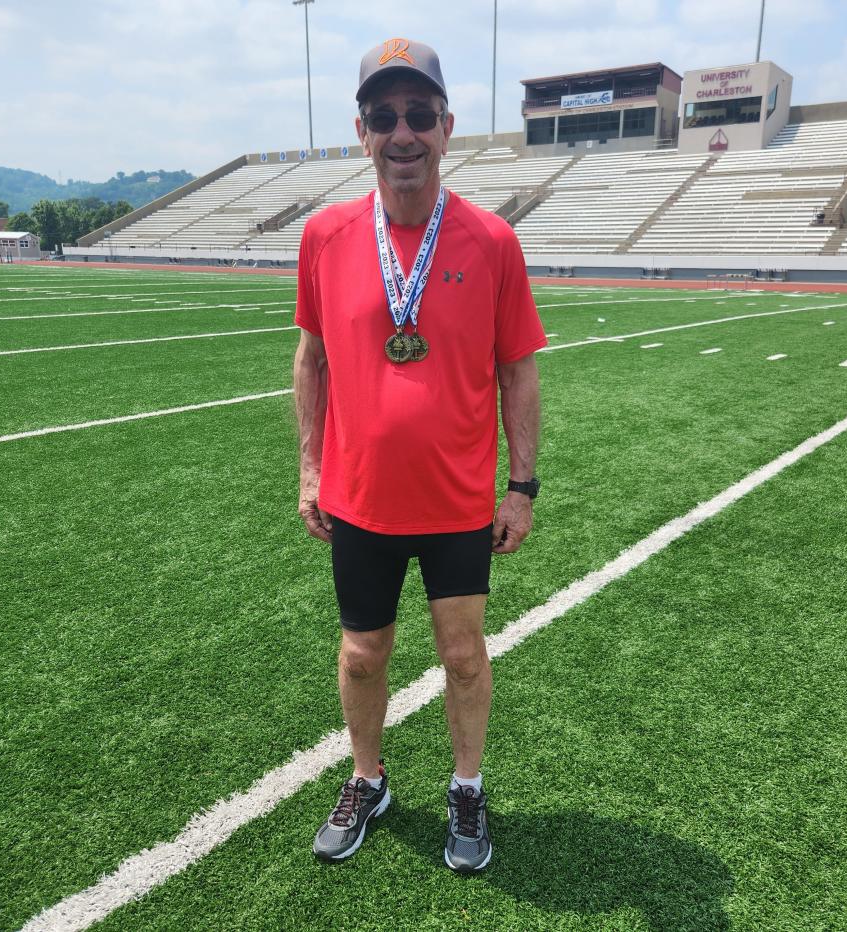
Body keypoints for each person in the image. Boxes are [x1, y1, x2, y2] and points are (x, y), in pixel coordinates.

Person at [292, 37, 545, 874]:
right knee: (363, 654)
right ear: (362, 131)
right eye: (384, 115)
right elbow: (312, 357)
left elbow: (518, 372)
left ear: (447, 127)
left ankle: (466, 790)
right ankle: (368, 778)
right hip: (359, 496)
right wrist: (308, 469)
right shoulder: (325, 235)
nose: (403, 132)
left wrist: (521, 488)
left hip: (458, 501)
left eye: (420, 115)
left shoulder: (492, 240)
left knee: (463, 652)